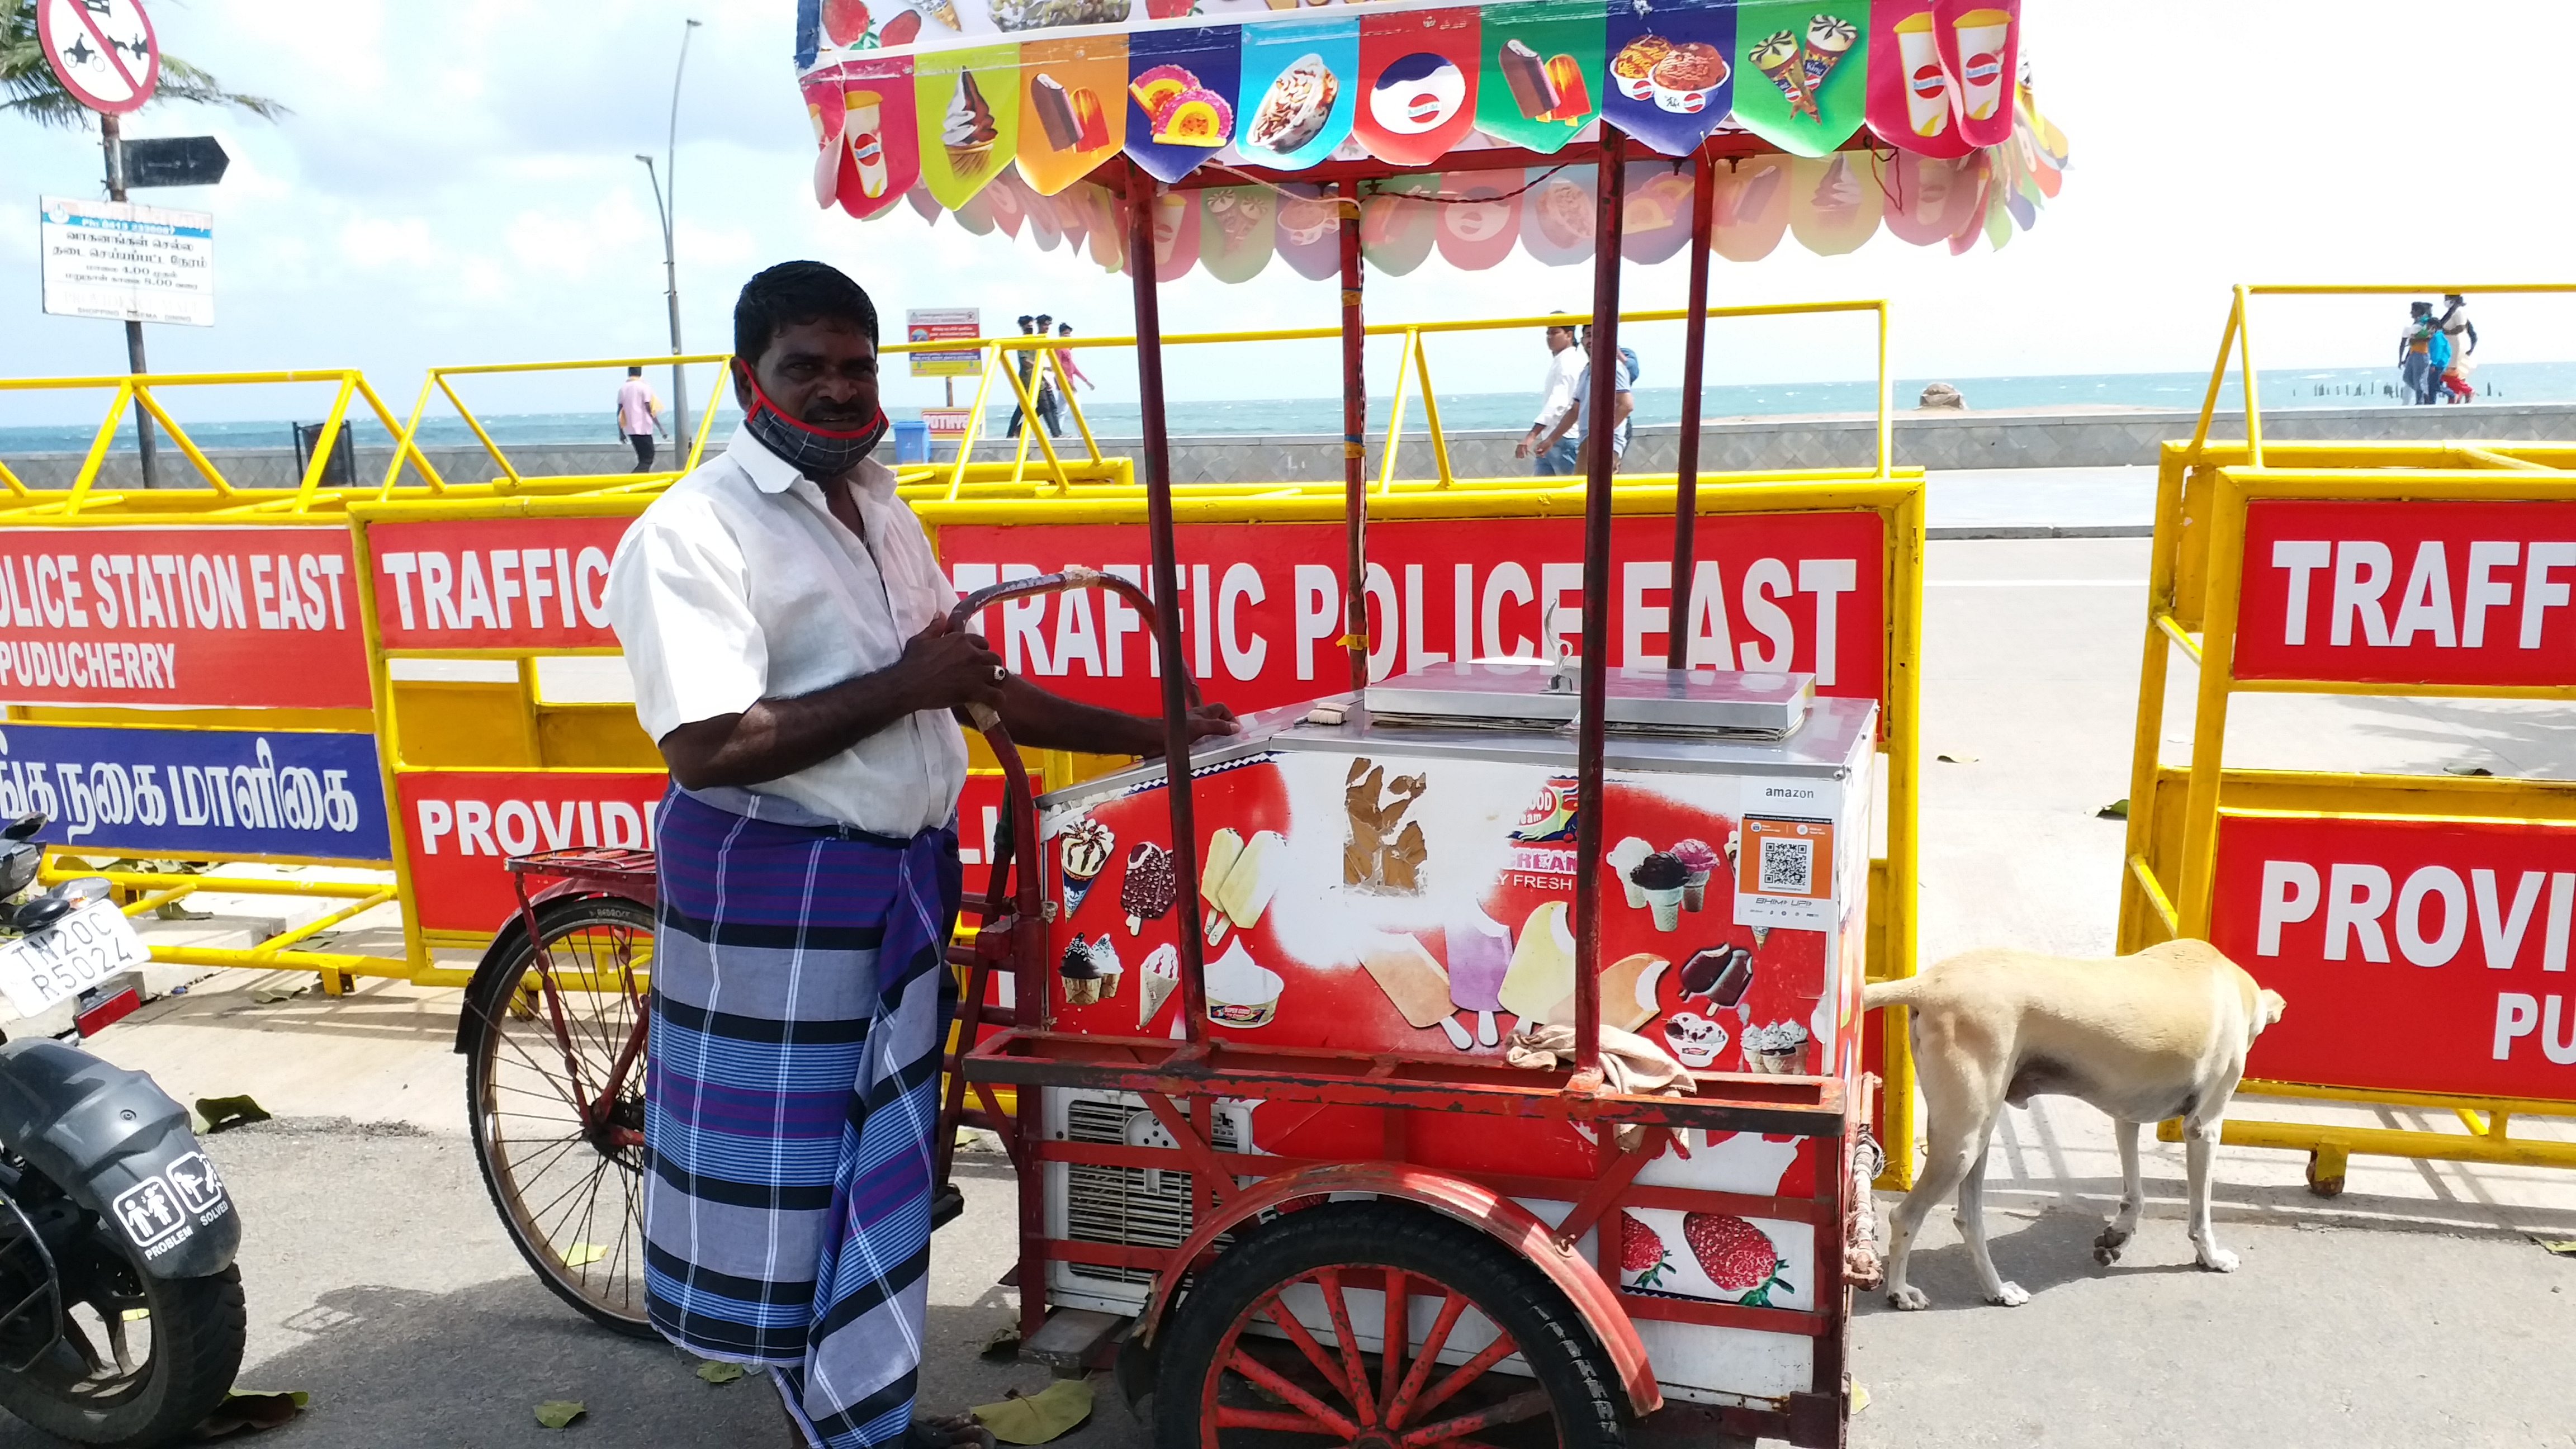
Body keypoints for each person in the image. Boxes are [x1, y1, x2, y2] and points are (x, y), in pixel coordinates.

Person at [604, 261, 1236, 1449]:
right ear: (750, 379)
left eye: (857, 367)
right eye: (809, 368)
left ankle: (861, 1415)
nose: (840, 392)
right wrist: (912, 682)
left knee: (884, 1168)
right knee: (800, 1185)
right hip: (778, 889)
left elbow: (972, 692)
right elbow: (706, 745)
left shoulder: (884, 509)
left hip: (896, 879)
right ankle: (839, 1427)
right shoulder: (691, 532)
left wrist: (1159, 735)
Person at [1534, 326, 1638, 472]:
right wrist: (1551, 440)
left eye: (1596, 335)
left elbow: (1626, 406)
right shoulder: (1586, 372)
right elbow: (1575, 411)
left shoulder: (1614, 368)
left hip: (1606, 441)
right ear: (1582, 341)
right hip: (1588, 439)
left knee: (1594, 488)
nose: (1591, 340)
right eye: (1588, 336)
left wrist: (1600, 435)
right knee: (1584, 489)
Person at [1514, 315, 1582, 476]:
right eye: (1548, 334)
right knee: (1543, 493)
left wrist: (1532, 436)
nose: (1549, 338)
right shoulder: (1563, 361)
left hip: (1564, 439)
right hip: (1553, 439)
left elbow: (1558, 403)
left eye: (1554, 333)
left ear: (1569, 335)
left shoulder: (1568, 362)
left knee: (1571, 494)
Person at [615, 366, 666, 471]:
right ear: (640, 373)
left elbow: (619, 412)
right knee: (648, 459)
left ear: (629, 373)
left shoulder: (623, 389)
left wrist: (621, 432)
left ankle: (638, 480)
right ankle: (633, 481)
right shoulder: (644, 387)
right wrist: (660, 428)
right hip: (644, 428)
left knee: (642, 459)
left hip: (631, 429)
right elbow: (649, 409)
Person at [1005, 314, 1041, 437]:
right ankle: (1012, 432)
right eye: (1028, 328)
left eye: (1031, 327)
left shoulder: (1036, 341)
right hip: (1026, 379)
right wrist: (1039, 366)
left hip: (1038, 378)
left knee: (1044, 406)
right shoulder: (1022, 342)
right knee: (1022, 408)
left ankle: (1020, 428)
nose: (1030, 329)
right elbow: (1025, 360)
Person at [2438, 293, 2478, 402]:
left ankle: (2468, 391)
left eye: (2447, 299)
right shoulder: (2452, 312)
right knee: (2452, 374)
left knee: (2448, 373)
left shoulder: (2459, 311)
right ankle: (2456, 396)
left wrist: (2446, 331)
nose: (2445, 301)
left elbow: (2461, 328)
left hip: (2456, 346)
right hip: (2449, 345)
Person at [1031, 312, 1064, 438]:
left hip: (1049, 375)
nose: (1047, 327)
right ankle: (1057, 433)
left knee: (1044, 407)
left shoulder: (1048, 339)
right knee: (1049, 407)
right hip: (1042, 377)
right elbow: (1036, 362)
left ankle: (1019, 428)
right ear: (1040, 325)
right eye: (1045, 325)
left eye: (1049, 325)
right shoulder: (1037, 340)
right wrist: (1044, 378)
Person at [2398, 302, 2437, 406]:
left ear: (2419, 311)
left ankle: (2420, 401)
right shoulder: (2416, 324)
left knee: (2418, 379)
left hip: (2422, 353)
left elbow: (2430, 336)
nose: (2412, 313)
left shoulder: (2425, 323)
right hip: (2413, 353)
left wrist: (2416, 339)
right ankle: (2423, 395)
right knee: (2407, 377)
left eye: (2413, 311)